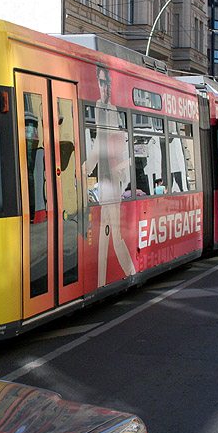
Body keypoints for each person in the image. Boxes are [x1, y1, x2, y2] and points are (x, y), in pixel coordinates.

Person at [84, 64, 137, 287]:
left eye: (108, 83)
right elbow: (100, 143)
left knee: (113, 236)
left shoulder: (112, 110)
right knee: (104, 238)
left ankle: (132, 274)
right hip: (105, 178)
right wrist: (87, 169)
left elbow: (107, 145)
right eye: (102, 82)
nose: (105, 87)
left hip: (113, 179)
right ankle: (101, 283)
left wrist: (85, 169)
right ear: (98, 83)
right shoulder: (99, 106)